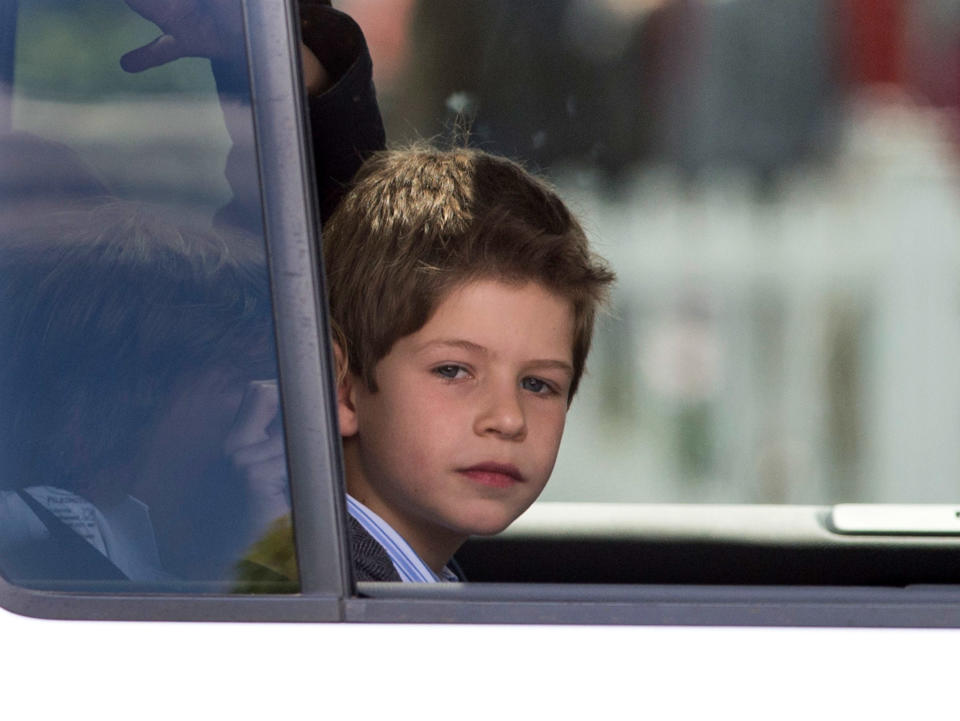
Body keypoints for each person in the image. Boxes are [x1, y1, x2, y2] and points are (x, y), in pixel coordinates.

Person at [323, 145, 616, 581]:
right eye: (453, 370)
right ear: (342, 388)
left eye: (537, 384)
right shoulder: (335, 607)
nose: (508, 419)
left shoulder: (412, 585)